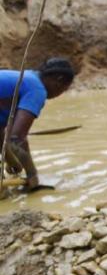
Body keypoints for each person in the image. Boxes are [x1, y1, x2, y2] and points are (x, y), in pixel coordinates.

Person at [0, 58, 75, 191]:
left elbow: (5, 136)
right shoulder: (37, 89)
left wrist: (13, 162)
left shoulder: (28, 77)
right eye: (64, 89)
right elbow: (16, 138)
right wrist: (32, 174)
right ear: (59, 80)